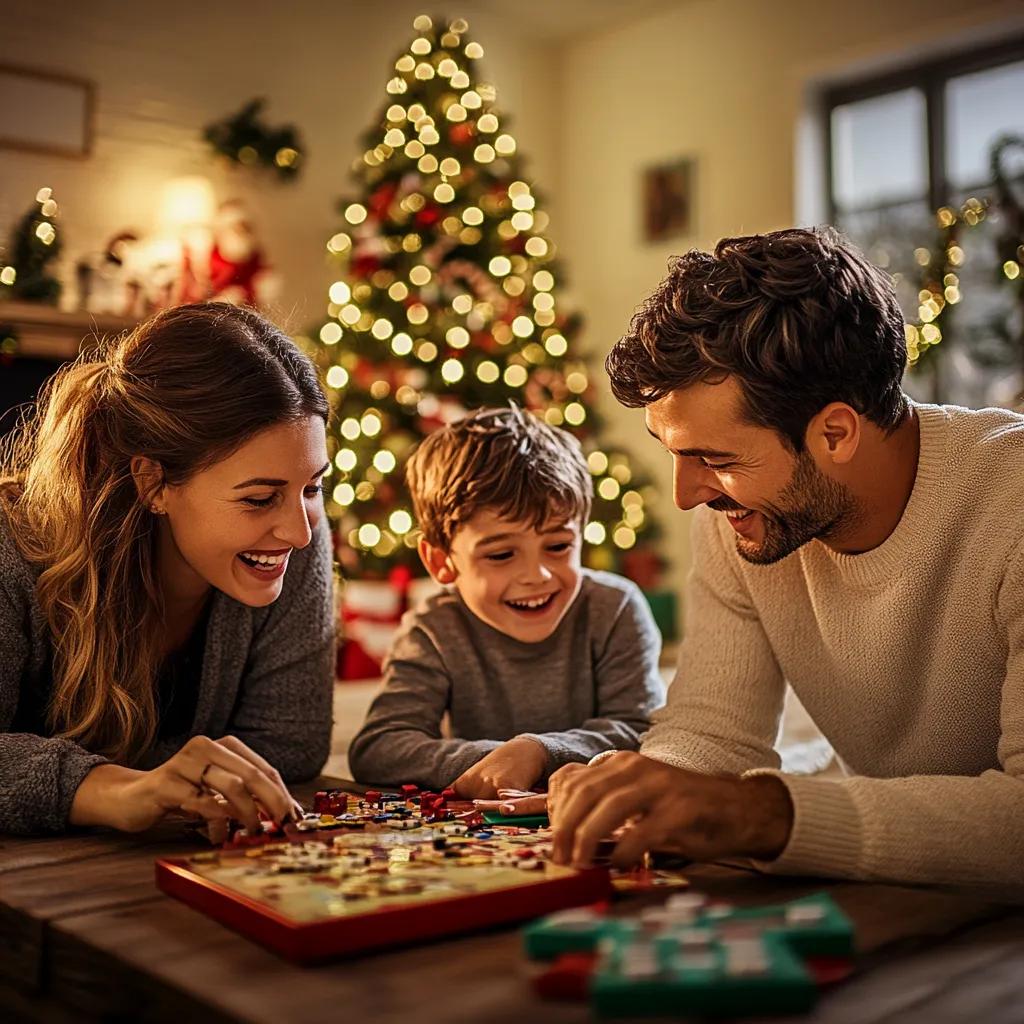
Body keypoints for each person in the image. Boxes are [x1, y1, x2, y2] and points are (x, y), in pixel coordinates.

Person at [547, 227, 1024, 896]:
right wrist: (647, 791)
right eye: (674, 451)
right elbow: (713, 735)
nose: (687, 496)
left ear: (836, 432)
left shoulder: (1014, 507)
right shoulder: (747, 517)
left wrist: (765, 813)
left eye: (716, 459)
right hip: (900, 890)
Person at [0, 302, 335, 840]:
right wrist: (117, 789)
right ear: (153, 483)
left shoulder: (293, 543)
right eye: (258, 498)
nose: (300, 531)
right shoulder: (11, 547)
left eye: (312, 487)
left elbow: (290, 745)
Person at [347, 406, 665, 796]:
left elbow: (643, 732)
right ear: (441, 562)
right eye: (500, 555)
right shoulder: (434, 628)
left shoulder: (615, 609)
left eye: (558, 546)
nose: (538, 575)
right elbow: (379, 747)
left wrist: (536, 753)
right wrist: (497, 762)